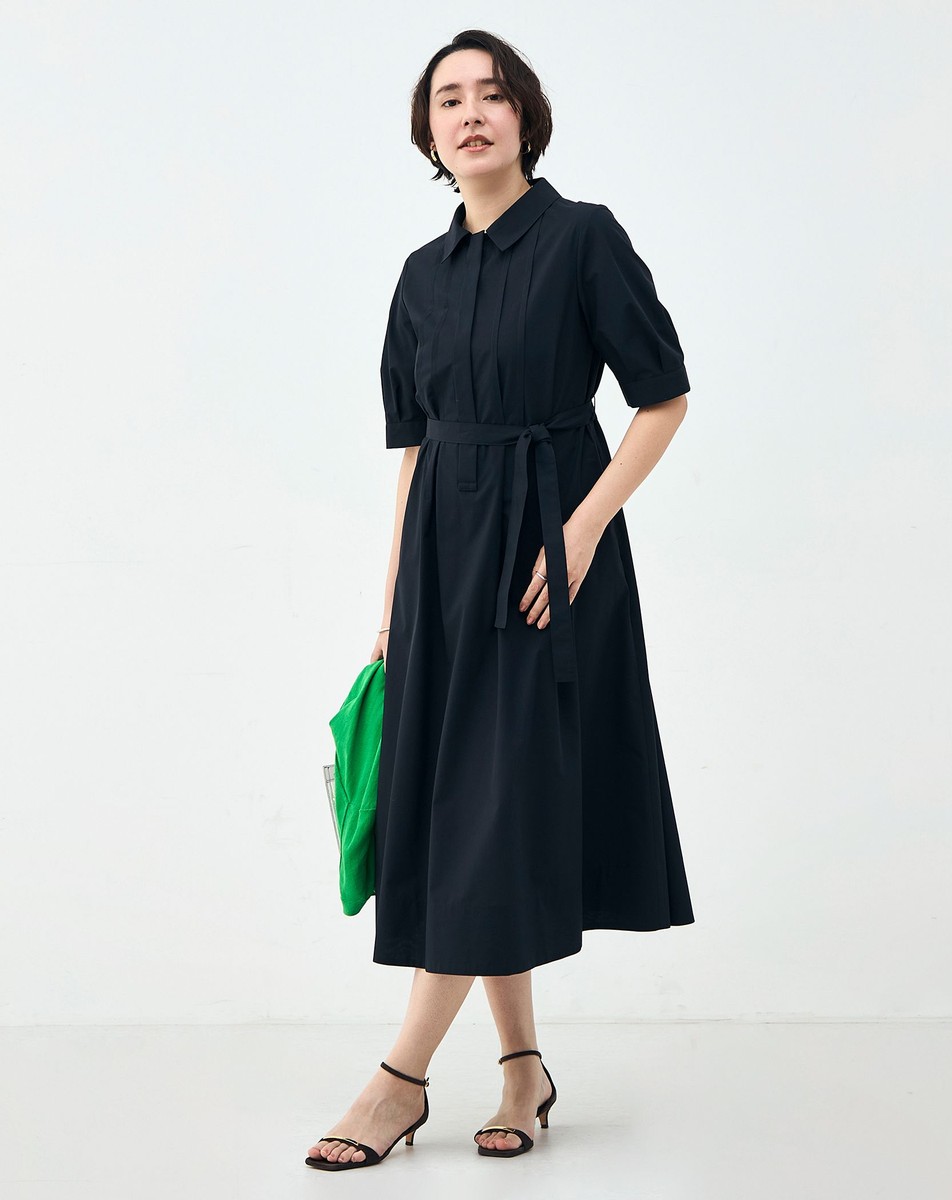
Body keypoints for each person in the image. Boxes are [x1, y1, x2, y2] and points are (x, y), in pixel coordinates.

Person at [306, 28, 695, 1171]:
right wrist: (392, 608)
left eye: (491, 95)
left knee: (491, 814)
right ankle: (522, 1071)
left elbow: (663, 400)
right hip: (440, 568)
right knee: (476, 817)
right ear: (428, 133)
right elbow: (415, 451)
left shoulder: (583, 238)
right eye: (448, 100)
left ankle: (399, 1078)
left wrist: (578, 532)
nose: (470, 113)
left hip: (543, 569)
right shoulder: (418, 278)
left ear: (525, 116)